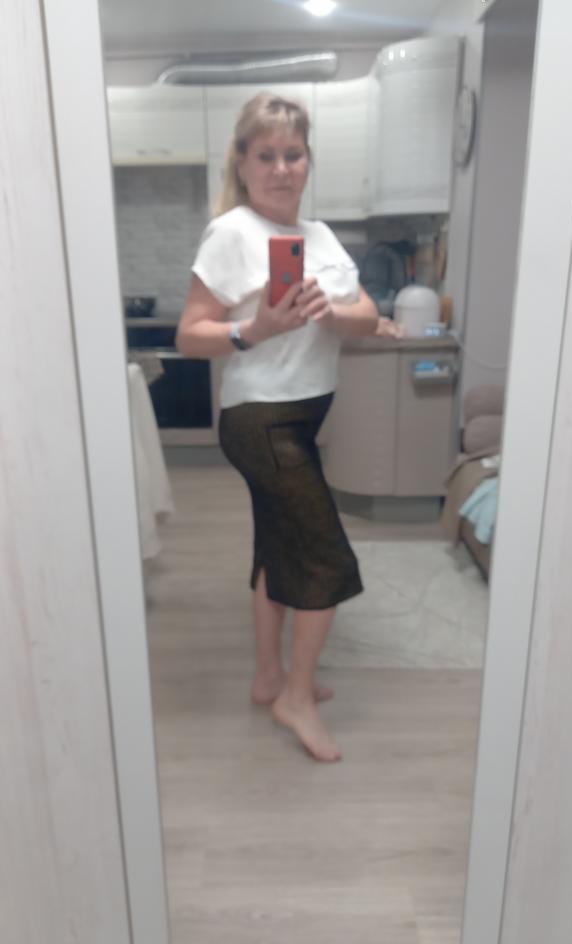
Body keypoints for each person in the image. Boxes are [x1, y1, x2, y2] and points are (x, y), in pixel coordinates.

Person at [176, 92, 398, 762]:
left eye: (293, 154)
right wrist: (256, 328)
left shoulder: (320, 237)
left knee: (276, 550)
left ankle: (270, 676)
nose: (281, 168)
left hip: (301, 417)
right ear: (242, 164)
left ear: (308, 161)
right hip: (261, 419)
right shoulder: (232, 233)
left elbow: (367, 315)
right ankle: (295, 699)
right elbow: (189, 335)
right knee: (324, 560)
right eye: (266, 155)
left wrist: (332, 312)